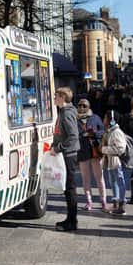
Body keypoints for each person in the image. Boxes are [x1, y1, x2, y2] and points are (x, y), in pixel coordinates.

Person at [50, 87, 80, 231]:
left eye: (56, 95)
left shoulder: (67, 113)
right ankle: (70, 219)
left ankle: (72, 221)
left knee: (70, 188)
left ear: (62, 97)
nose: (54, 98)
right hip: (66, 154)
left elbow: (73, 136)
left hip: (69, 155)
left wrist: (57, 147)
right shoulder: (64, 112)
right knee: (68, 188)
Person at [76, 98, 107, 211]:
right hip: (83, 151)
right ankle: (89, 201)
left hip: (95, 151)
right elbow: (73, 135)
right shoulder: (75, 119)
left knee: (99, 177)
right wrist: (82, 135)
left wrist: (95, 133)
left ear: (89, 107)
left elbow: (103, 131)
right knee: (85, 178)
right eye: (80, 105)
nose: (82, 108)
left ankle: (103, 201)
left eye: (84, 106)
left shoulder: (95, 117)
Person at [101, 110, 127, 215]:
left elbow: (121, 149)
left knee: (119, 181)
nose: (103, 120)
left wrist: (104, 149)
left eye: (105, 118)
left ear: (111, 120)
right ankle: (115, 203)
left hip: (116, 161)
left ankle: (121, 204)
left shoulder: (116, 132)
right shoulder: (110, 130)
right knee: (113, 182)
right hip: (110, 161)